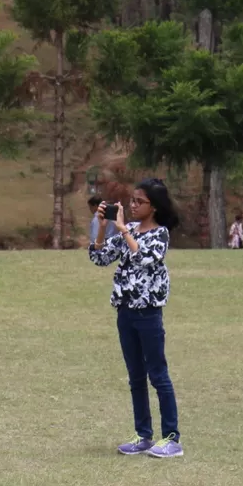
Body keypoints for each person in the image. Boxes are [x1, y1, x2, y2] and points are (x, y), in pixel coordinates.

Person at [89, 179, 183, 459]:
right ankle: (143, 435)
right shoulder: (127, 229)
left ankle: (171, 438)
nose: (132, 205)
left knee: (158, 375)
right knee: (135, 377)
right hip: (125, 312)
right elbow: (100, 258)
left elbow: (144, 259)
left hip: (148, 314)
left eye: (138, 201)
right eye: (131, 200)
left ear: (153, 207)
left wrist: (123, 232)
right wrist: (102, 229)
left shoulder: (160, 234)